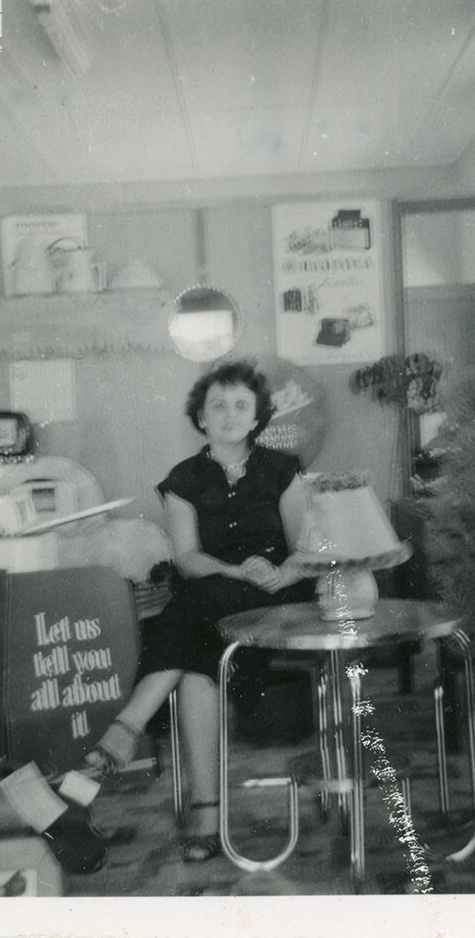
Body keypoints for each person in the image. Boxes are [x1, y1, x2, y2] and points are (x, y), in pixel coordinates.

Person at [84, 360, 314, 862]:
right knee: (196, 661)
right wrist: (235, 570)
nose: (230, 414)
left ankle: (130, 730)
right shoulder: (183, 479)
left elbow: (304, 548)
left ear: (257, 416)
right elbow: (187, 558)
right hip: (214, 599)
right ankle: (205, 811)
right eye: (218, 406)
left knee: (192, 614)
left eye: (241, 405)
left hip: (274, 598)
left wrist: (280, 574)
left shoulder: (283, 470)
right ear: (202, 417)